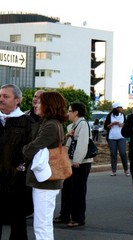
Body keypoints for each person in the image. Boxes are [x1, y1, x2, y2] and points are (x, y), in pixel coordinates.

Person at [22, 91, 68, 240]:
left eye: (40, 102)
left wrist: (24, 149)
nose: (36, 104)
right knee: (42, 223)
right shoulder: (48, 123)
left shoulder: (51, 126)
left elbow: (32, 147)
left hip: (47, 181)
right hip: (44, 180)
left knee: (42, 224)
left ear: (49, 106)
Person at [0, 84, 32, 240]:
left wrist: (22, 167)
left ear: (17, 100)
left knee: (18, 224)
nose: (1, 99)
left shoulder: (27, 123)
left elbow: (32, 150)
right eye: (0, 96)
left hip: (17, 182)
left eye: (6, 96)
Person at [54, 102, 93, 227]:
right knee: (67, 189)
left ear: (76, 112)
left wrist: (77, 160)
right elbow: (67, 144)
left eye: (70, 111)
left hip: (80, 163)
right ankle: (64, 215)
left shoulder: (83, 124)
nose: (68, 113)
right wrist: (67, 135)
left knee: (78, 190)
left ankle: (78, 218)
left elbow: (82, 143)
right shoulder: (73, 125)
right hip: (71, 162)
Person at [104, 102, 129, 176]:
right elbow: (106, 127)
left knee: (123, 153)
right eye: (119, 107)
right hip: (112, 137)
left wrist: (122, 124)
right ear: (116, 108)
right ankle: (113, 170)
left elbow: (126, 125)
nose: (121, 109)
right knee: (113, 154)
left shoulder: (123, 115)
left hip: (121, 136)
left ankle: (126, 169)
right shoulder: (110, 116)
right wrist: (112, 124)